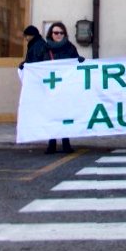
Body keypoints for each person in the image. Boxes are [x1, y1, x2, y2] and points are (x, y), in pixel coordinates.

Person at [42, 22, 82, 155]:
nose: (58, 35)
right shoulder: (45, 48)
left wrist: (80, 61)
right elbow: (38, 64)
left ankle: (66, 143)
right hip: (51, 86)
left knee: (65, 115)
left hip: (65, 88)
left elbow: (75, 64)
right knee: (52, 115)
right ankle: (51, 143)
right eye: (56, 33)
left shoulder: (70, 48)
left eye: (61, 33)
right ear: (51, 34)